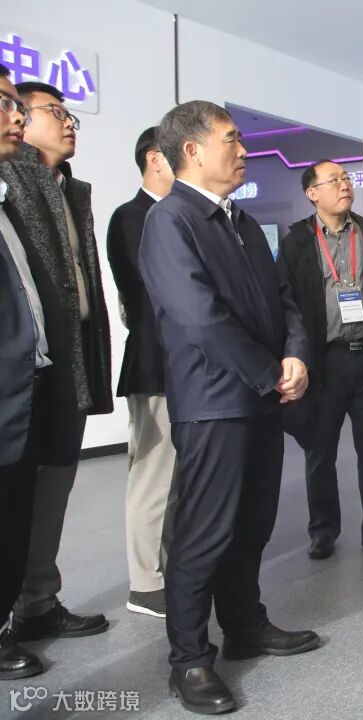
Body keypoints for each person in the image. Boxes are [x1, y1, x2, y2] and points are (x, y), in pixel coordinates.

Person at [140, 100, 320, 714]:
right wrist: (270, 375)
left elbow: (284, 299)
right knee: (205, 534)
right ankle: (190, 660)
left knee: (253, 524)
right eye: (232, 139)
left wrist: (294, 355)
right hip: (214, 402)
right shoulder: (170, 220)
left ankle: (245, 625)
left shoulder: (240, 220)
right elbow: (198, 318)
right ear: (192, 150)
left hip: (261, 396)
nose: (244, 150)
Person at [0, 80, 112, 643]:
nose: (69, 122)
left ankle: (38, 600)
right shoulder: (11, 182)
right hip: (24, 366)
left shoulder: (69, 188)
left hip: (69, 356)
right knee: (20, 492)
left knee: (54, 487)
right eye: (55, 112)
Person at [276, 160, 363, 560]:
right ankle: (323, 531)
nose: (344, 185)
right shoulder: (297, 241)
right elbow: (285, 301)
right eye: (333, 180)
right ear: (312, 193)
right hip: (324, 364)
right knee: (320, 453)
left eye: (346, 178)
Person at [0, 63, 79, 681]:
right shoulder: (18, 185)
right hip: (16, 379)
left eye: (20, 108)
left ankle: (27, 608)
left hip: (43, 372)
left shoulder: (42, 194)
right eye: (8, 105)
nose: (17, 117)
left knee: (29, 507)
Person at [106, 126, 176, 619]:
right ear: (155, 159)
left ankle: (171, 570)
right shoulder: (132, 217)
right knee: (153, 478)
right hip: (154, 364)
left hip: (186, 367)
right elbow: (152, 292)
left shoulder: (174, 214)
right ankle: (145, 584)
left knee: (180, 481)